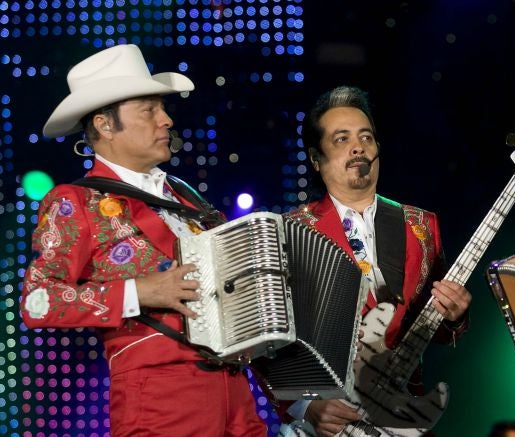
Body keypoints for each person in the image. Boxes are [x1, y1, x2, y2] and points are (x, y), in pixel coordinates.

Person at [20, 44, 267, 436]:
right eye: (149, 110)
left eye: (162, 109)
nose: (166, 120)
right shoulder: (75, 200)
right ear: (104, 125)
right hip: (158, 402)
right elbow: (38, 301)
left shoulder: (186, 195)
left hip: (237, 396)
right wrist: (139, 292)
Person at [280, 85, 472, 436]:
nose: (358, 147)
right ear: (315, 158)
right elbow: (268, 341)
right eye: (341, 139)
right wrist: (308, 406)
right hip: (328, 425)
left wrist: (456, 316)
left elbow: (435, 328)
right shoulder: (290, 232)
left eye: (366, 137)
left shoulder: (420, 225)